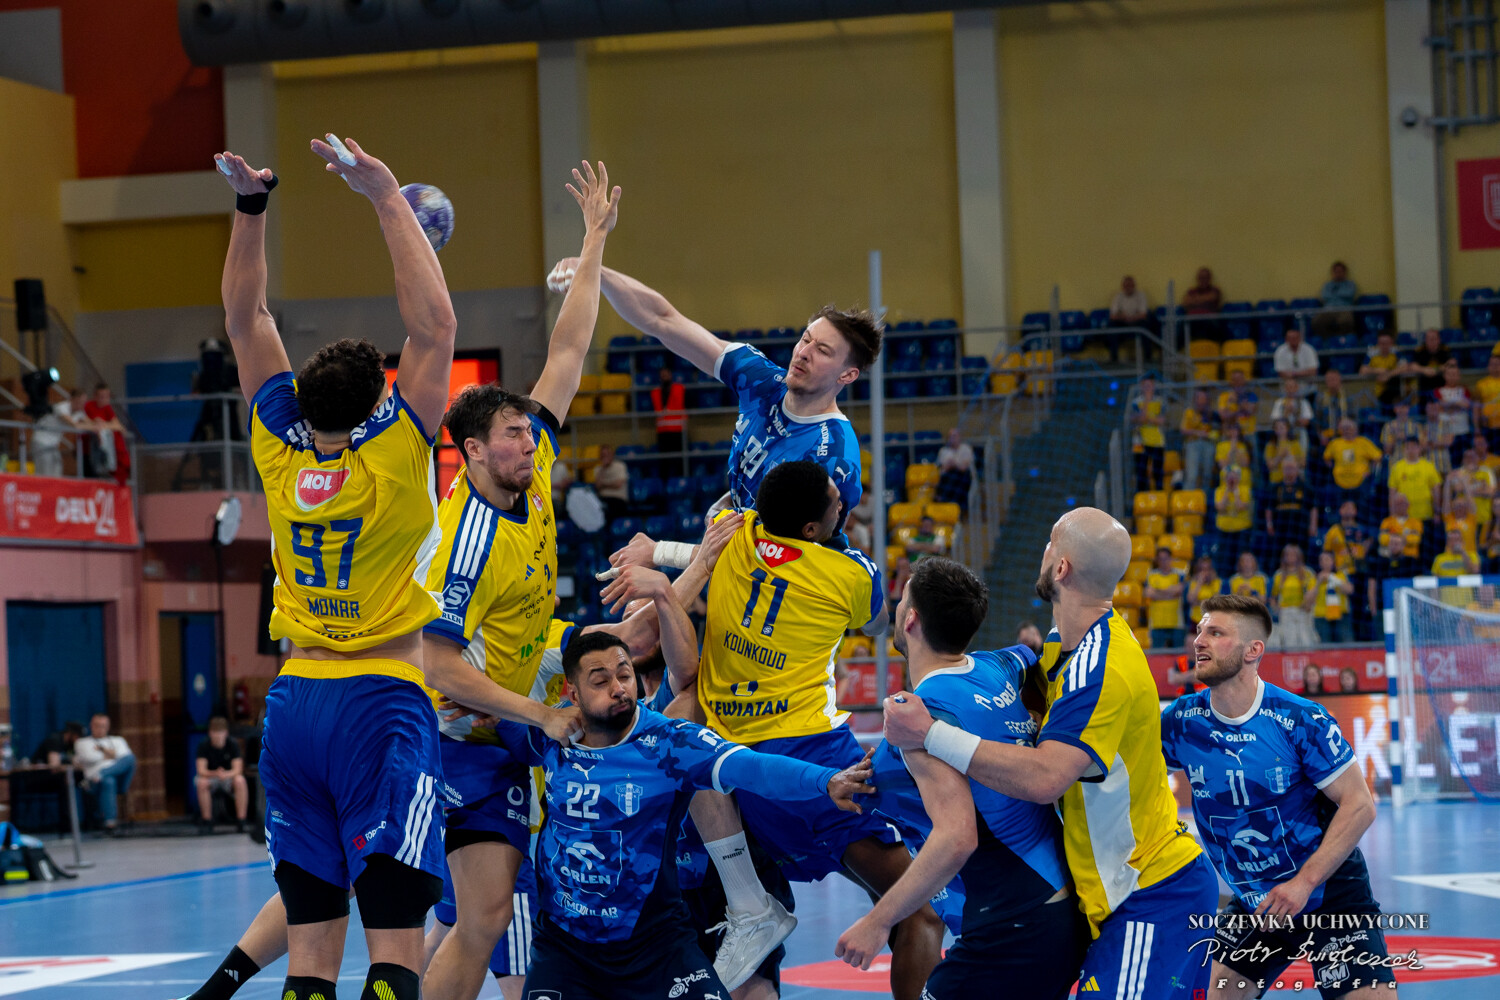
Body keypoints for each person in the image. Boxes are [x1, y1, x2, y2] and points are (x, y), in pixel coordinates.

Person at [217, 136, 458, 1000]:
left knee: (311, 958)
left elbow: (247, 320)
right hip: (380, 704)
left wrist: (251, 208)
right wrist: (387, 196)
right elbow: (434, 328)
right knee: (395, 950)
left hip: (295, 707)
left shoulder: (278, 447)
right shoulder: (393, 452)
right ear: (377, 403)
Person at [416, 163, 623, 1000]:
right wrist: (540, 712)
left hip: (516, 687)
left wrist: (595, 240)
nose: (530, 442)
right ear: (472, 452)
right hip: (458, 734)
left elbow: (569, 349)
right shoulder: (465, 543)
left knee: (470, 916)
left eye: (528, 431)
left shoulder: (530, 479)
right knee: (487, 913)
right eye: (511, 434)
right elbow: (437, 666)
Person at [883, 507, 1217, 1000]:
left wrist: (930, 733)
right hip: (1114, 893)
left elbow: (1045, 779)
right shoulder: (1067, 646)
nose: (1043, 551)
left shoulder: (1100, 666)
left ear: (1061, 568)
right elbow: (1016, 675)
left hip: (1152, 889)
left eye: (1050, 543)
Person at [512, 628, 877, 1000]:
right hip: (564, 946)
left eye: (624, 675)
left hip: (654, 944)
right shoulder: (551, 733)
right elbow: (488, 710)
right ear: (574, 693)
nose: (618, 689)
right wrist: (514, 715)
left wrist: (824, 781)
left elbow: (752, 767)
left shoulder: (668, 743)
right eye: (600, 681)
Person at [696, 461, 945, 1000]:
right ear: (812, 528)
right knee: (918, 913)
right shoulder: (850, 573)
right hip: (819, 761)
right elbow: (878, 624)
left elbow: (722, 511)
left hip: (742, 774)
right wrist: (838, 548)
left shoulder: (733, 531)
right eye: (836, 504)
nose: (844, 505)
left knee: (751, 937)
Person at [835, 559, 1084, 998]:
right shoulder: (996, 666)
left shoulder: (917, 716)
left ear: (910, 619)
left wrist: (878, 922)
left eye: (903, 599)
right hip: (1056, 908)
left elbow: (957, 837)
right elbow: (1032, 657)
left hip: (1013, 923)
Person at [548, 260, 880, 570]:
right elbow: (663, 320)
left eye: (822, 351)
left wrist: (661, 552)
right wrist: (596, 272)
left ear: (848, 375)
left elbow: (772, 562)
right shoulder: (762, 382)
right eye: (805, 339)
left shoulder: (832, 456)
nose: (804, 353)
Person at [1159, 595, 1395, 999]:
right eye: (1199, 631)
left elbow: (1359, 805)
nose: (1199, 641)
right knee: (1210, 994)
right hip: (1257, 902)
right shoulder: (1182, 721)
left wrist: (1303, 883)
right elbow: (1131, 778)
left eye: (1215, 632)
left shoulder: (1299, 719)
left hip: (1328, 891)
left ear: (1253, 650)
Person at [74, 712, 134, 833]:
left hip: (119, 778)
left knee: (131, 759)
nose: (100, 729)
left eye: (103, 726)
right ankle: (110, 822)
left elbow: (126, 758)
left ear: (108, 727)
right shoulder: (82, 742)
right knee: (108, 781)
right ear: (91, 726)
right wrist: (111, 754)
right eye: (97, 726)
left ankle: (102, 773)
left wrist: (101, 751)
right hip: (93, 782)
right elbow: (89, 757)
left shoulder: (118, 740)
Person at [196, 716, 249, 833]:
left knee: (240, 780)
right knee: (201, 782)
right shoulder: (204, 745)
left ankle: (241, 821)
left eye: (220, 732)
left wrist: (226, 774)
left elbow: (238, 769)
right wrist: (215, 773)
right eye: (215, 732)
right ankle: (207, 821)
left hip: (228, 778)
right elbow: (201, 770)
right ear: (210, 733)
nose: (218, 736)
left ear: (226, 733)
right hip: (211, 777)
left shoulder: (232, 744)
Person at [1323, 418, 1383, 506]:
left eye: (1349, 428)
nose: (1347, 430)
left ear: (1355, 429)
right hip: (1340, 483)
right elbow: (1326, 457)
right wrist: (1333, 469)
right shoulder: (1335, 443)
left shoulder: (1363, 442)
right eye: (1344, 428)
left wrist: (1370, 470)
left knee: (1361, 508)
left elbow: (1378, 457)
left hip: (1360, 483)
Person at [1269, 544, 1318, 650]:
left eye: (1293, 554)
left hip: (1303, 612)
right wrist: (1276, 609)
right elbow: (1273, 597)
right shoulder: (1278, 575)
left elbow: (1313, 592)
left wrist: (1308, 603)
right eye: (1288, 555)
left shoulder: (1307, 573)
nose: (1290, 557)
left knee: (1306, 641)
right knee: (1289, 642)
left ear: (1299, 556)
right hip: (1286, 612)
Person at [83, 382, 130, 485]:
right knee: (90, 479)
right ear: (95, 396)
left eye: (107, 397)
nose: (105, 400)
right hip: (88, 450)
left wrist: (103, 424)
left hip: (105, 451)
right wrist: (96, 423)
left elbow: (119, 426)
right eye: (102, 397)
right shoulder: (88, 406)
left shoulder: (107, 408)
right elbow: (85, 422)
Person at [1389, 436, 1444, 524]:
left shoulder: (1429, 466)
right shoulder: (1397, 468)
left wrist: (1437, 512)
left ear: (1419, 448)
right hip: (1404, 517)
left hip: (1425, 515)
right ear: (1404, 450)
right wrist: (1392, 514)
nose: (1411, 450)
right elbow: (1392, 493)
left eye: (1413, 447)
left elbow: (1436, 490)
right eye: (1407, 447)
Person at [1434, 358, 1476, 462]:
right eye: (1449, 374)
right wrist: (1457, 403)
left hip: (1462, 431)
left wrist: (1448, 404)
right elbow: (1439, 407)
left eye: (1454, 374)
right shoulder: (1438, 391)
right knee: (1448, 461)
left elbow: (1466, 405)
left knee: (1464, 460)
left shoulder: (1464, 390)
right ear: (1444, 376)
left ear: (1459, 376)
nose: (1452, 377)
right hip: (1445, 432)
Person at [1144, 546, 1186, 649]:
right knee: (1157, 654)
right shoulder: (1151, 575)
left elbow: (1180, 590)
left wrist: (1157, 591)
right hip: (1157, 623)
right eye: (1161, 559)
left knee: (1179, 654)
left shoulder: (1180, 574)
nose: (1163, 562)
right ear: (1157, 560)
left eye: (1166, 558)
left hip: (1176, 623)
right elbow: (1148, 593)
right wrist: (1171, 592)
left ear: (1171, 559)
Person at [1179, 388, 1219, 492]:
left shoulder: (1212, 414)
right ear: (1195, 399)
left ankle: (1204, 498)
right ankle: (1188, 499)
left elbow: (1217, 432)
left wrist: (1209, 434)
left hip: (1209, 444)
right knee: (1192, 475)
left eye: (1203, 398)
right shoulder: (1189, 412)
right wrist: (1197, 432)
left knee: (1207, 475)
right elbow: (1183, 430)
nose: (1201, 401)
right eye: (1199, 398)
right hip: (1193, 444)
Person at [1130, 375, 1166, 492]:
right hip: (1139, 442)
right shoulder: (1136, 402)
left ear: (1154, 386)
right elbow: (1140, 419)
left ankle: (1159, 497)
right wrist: (1146, 402)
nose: (1147, 389)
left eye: (1149, 386)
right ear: (1141, 387)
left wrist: (1147, 419)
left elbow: (1162, 420)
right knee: (1141, 473)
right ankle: (1142, 498)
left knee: (1158, 473)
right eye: (1145, 386)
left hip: (1157, 441)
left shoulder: (1160, 401)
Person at [1213, 464, 1253, 566]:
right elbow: (1220, 507)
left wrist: (1235, 492)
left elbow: (1240, 507)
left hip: (1241, 530)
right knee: (1224, 559)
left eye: (1234, 477)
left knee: (1240, 558)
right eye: (1229, 477)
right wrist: (1227, 493)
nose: (1231, 479)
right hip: (1224, 530)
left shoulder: (1245, 490)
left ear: (1239, 478)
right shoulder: (1219, 490)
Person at [1266, 458, 1315, 543]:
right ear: (1282, 470)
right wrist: (1269, 524)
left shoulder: (1306, 488)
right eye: (1286, 468)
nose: (1289, 471)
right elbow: (1269, 508)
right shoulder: (1275, 488)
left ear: (1297, 469)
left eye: (1291, 468)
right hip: (1280, 528)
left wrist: (1313, 525)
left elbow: (1313, 508)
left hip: (1300, 527)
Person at [1311, 551, 1355, 644]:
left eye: (1327, 559)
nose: (1324, 562)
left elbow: (1350, 590)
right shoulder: (1314, 578)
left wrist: (1332, 578)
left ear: (1333, 561)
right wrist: (1318, 583)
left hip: (1341, 615)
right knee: (1325, 645)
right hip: (1322, 616)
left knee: (1347, 643)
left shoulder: (1340, 575)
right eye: (1321, 560)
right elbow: (1309, 598)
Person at [1359, 331, 1407, 410]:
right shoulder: (1372, 352)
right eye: (1381, 343)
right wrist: (1378, 370)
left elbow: (1405, 367)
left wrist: (1388, 375)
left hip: (1394, 391)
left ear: (1391, 342)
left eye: (1387, 343)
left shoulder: (1396, 351)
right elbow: (1362, 370)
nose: (1384, 346)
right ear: (1378, 343)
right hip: (1377, 392)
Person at [1313, 368, 1357, 447]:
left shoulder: (1348, 396)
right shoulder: (1320, 398)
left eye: (1333, 379)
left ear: (1340, 380)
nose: (1331, 382)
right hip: (1327, 434)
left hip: (1346, 434)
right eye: (1329, 380)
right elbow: (1317, 420)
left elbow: (1354, 418)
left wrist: (1350, 432)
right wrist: (1321, 435)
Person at [1313, 260, 1357, 337]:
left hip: (1344, 309)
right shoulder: (1327, 285)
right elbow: (1324, 296)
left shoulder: (1350, 284)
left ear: (1344, 272)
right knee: (1316, 322)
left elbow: (1349, 294)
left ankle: (1340, 340)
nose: (1338, 274)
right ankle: (1328, 339)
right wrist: (1341, 294)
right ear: (1333, 273)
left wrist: (1334, 293)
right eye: (1336, 272)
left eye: (1340, 271)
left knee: (1347, 322)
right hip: (1328, 309)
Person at [651, 365, 686, 461]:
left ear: (671, 375)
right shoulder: (655, 392)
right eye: (662, 375)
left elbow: (688, 407)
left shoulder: (680, 389)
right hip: (662, 431)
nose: (664, 377)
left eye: (666, 375)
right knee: (664, 460)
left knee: (679, 460)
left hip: (678, 430)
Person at [935, 427, 974, 513]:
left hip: (962, 477)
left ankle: (947, 501)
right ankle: (947, 504)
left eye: (954, 436)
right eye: (950, 436)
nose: (952, 438)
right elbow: (942, 469)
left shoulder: (966, 449)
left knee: (957, 475)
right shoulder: (943, 451)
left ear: (959, 437)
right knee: (949, 476)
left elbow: (964, 467)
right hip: (947, 476)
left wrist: (954, 464)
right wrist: (953, 465)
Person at [1269, 378, 1313, 450]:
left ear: (1297, 388)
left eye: (1292, 387)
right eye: (1288, 387)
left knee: (1300, 455)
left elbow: (1306, 422)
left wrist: (1295, 413)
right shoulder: (1279, 403)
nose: (1290, 390)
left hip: (1299, 434)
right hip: (1283, 436)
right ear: (1284, 389)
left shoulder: (1304, 402)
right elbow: (1275, 423)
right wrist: (1285, 412)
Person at [1182, 266, 1223, 342]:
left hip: (1209, 321)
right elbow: (1186, 302)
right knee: (1182, 326)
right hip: (1193, 321)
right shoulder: (1191, 291)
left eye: (1205, 277)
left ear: (1210, 278)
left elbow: (1213, 297)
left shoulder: (1215, 290)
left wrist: (1195, 299)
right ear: (1197, 279)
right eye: (1201, 278)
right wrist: (1204, 299)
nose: (1203, 280)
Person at [1216, 368, 1259, 440]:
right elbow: (1223, 416)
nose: (1237, 382)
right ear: (1231, 382)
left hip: (1248, 433)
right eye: (1234, 379)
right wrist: (1241, 408)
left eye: (1240, 379)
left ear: (1244, 381)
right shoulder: (1224, 396)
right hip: (1230, 433)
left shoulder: (1251, 395)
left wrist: (1237, 401)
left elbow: (1251, 410)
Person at [592, 442, 630, 521]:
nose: (605, 457)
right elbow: (597, 487)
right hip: (602, 499)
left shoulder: (620, 466)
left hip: (618, 499)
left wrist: (603, 484)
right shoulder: (598, 469)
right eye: (603, 455)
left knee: (608, 511)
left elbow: (618, 484)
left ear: (612, 455)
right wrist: (603, 469)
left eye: (607, 454)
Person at [1410, 328, 1452, 396]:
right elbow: (1413, 365)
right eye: (1429, 339)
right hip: (1424, 387)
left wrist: (1435, 370)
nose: (1432, 341)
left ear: (1439, 340)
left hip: (1442, 387)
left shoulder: (1445, 350)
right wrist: (1424, 370)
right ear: (1425, 340)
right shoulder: (1420, 350)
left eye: (1434, 339)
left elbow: (1450, 363)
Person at [1263, 418, 1305, 484]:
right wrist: (1280, 456)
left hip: (1292, 480)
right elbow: (1270, 466)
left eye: (1281, 427)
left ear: (1287, 428)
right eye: (1276, 428)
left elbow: (1303, 463)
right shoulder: (1271, 445)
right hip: (1276, 481)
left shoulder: (1294, 443)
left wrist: (1291, 461)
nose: (1279, 430)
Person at [1185, 555, 1223, 629]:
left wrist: (1198, 602)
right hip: (1196, 620)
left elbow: (1215, 602)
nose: (1204, 573)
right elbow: (1190, 600)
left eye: (1207, 569)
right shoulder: (1194, 583)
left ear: (1212, 570)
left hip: (1212, 621)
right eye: (1202, 570)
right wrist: (1199, 583)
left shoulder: (1217, 582)